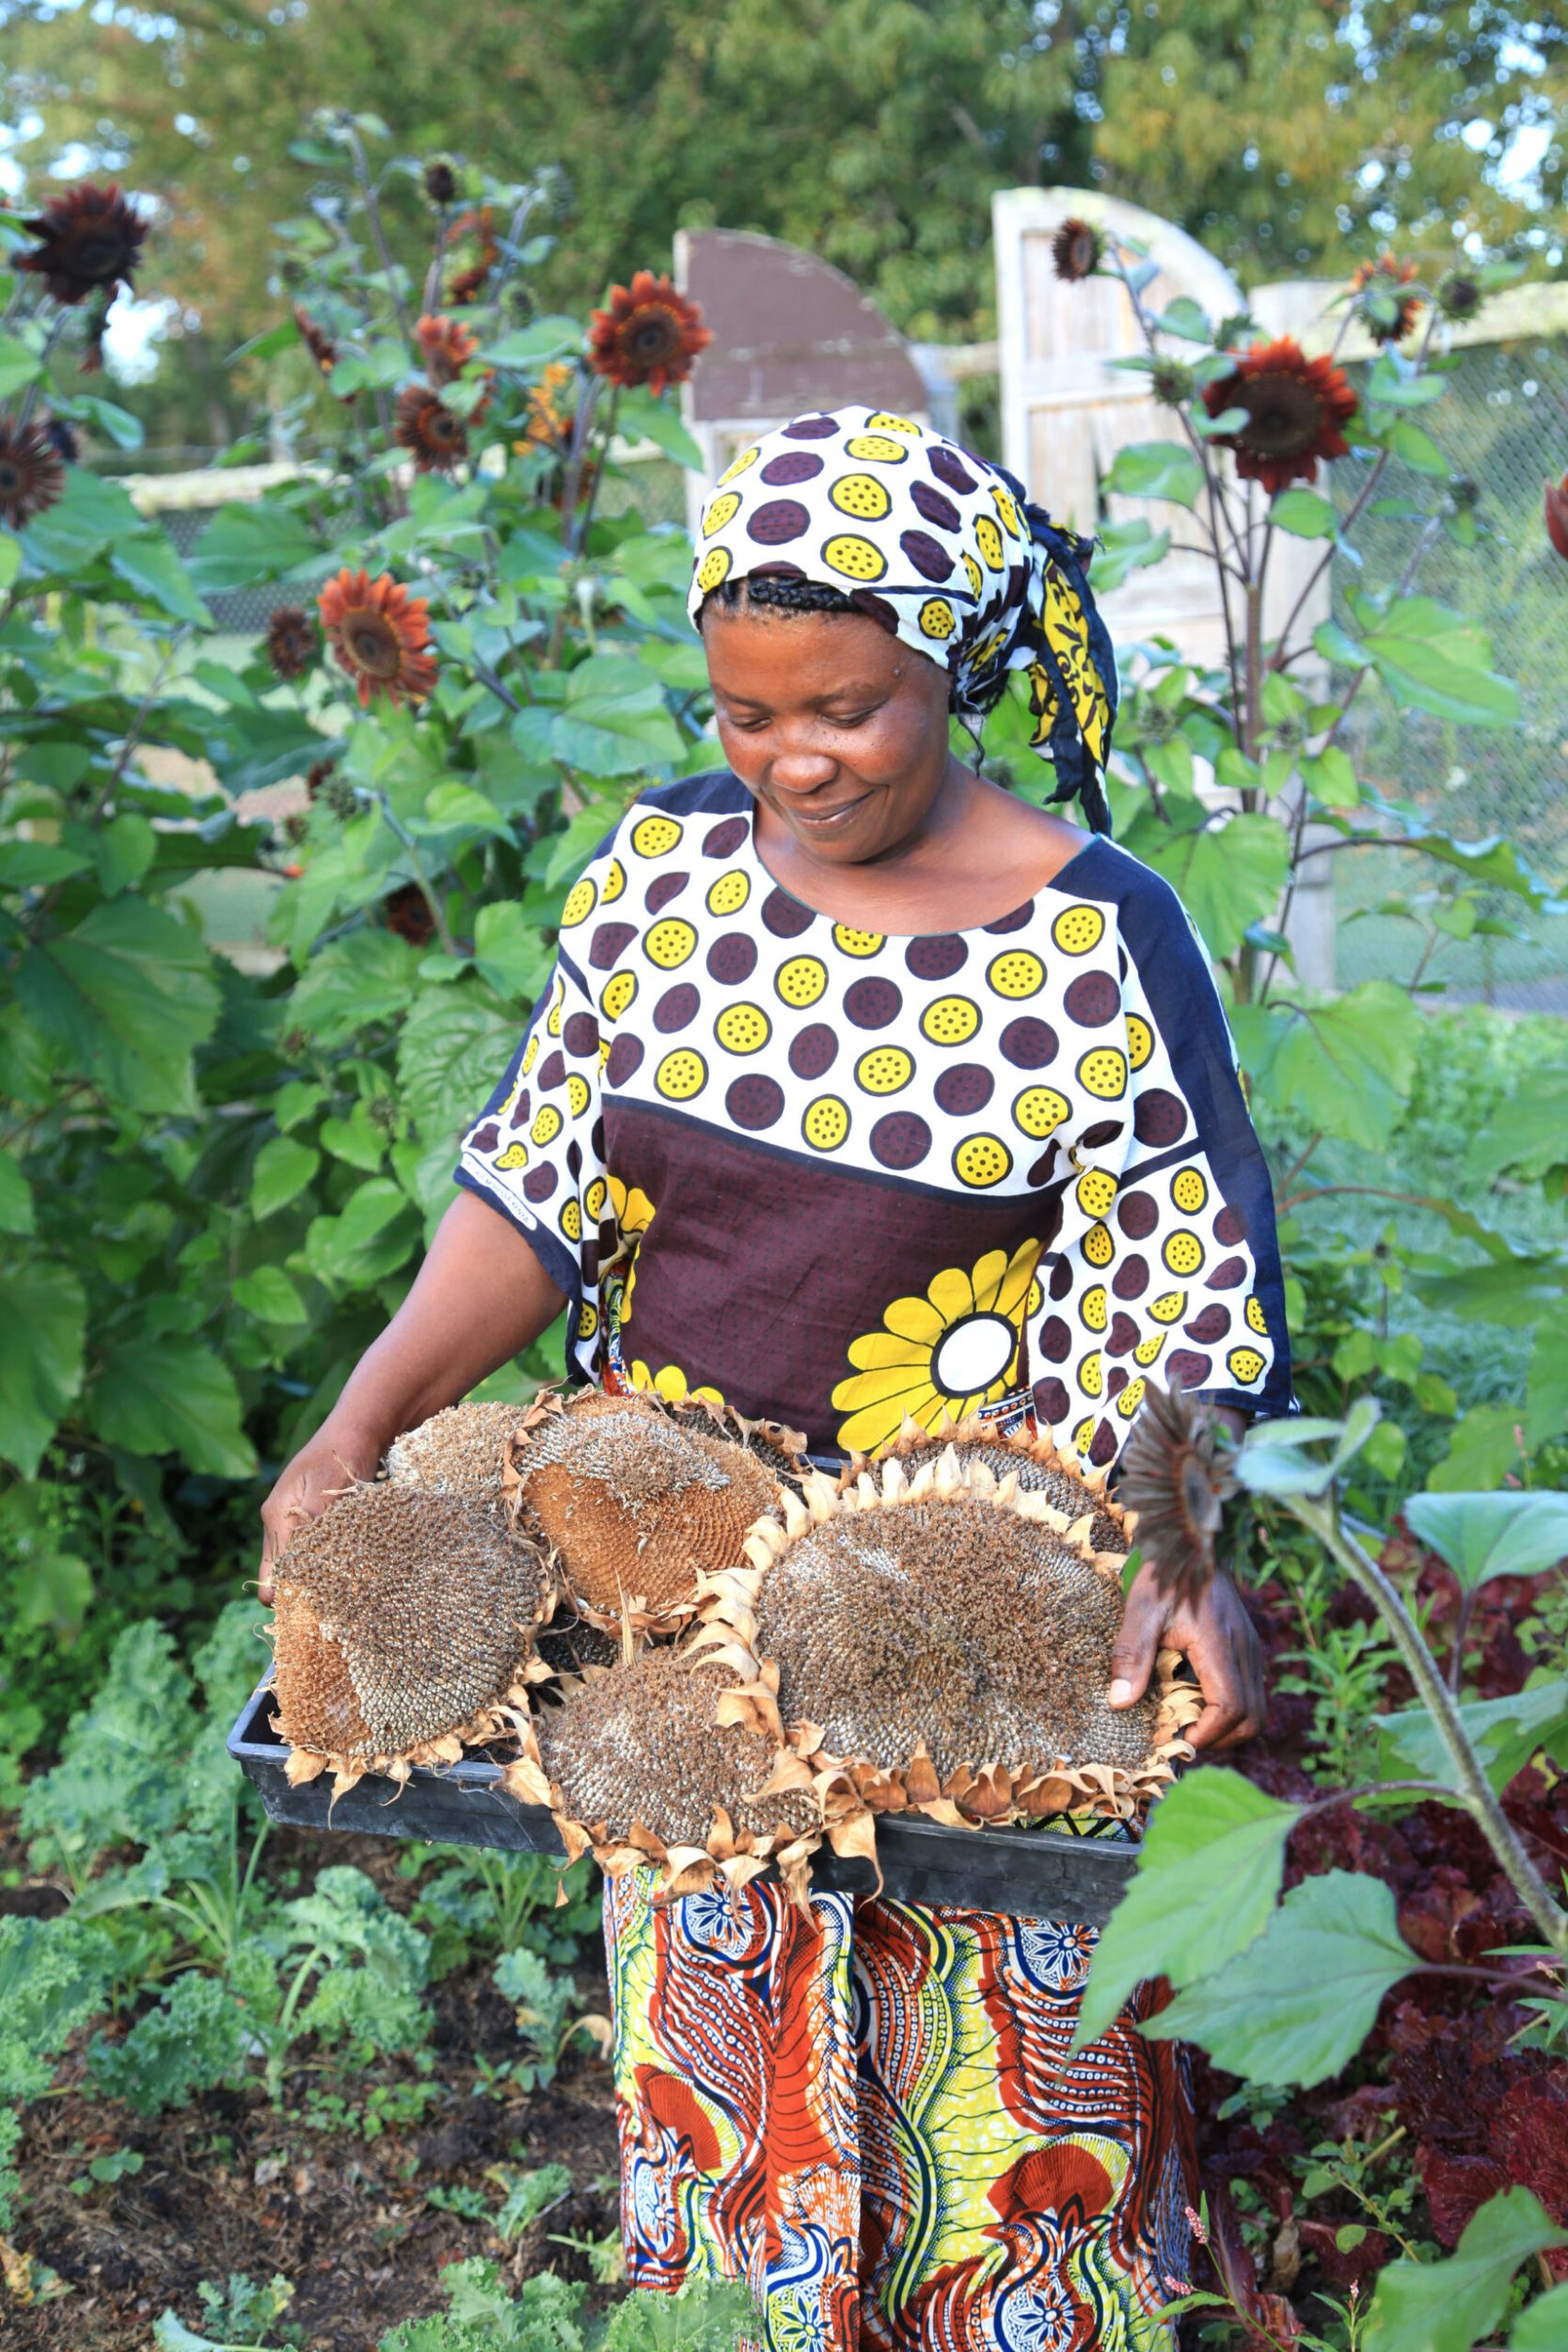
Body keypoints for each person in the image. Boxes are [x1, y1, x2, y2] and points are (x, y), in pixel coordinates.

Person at [260, 404, 1292, 2351]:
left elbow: (1182, 1289)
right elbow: (534, 1191)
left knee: (1015, 2106)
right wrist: (362, 1418)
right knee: (736, 2089)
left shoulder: (1096, 937)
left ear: (954, 664)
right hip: (685, 1610)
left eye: (846, 707)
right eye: (747, 710)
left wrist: (1178, 1543)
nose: (791, 759)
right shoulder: (662, 879)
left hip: (985, 1612)